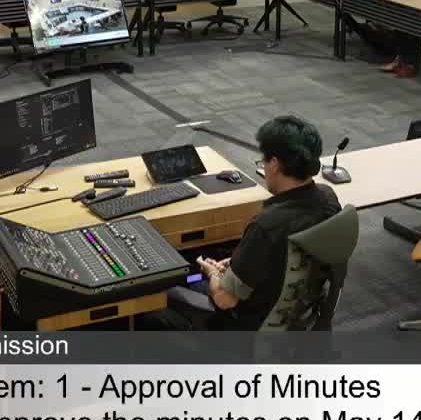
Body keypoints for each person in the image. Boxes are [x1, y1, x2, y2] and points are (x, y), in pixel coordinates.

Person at [141, 116, 341, 331]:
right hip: (299, 317)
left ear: (274, 165)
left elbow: (224, 300)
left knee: (153, 299)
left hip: (246, 329)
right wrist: (239, 261)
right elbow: (287, 255)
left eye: (264, 162)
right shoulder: (329, 199)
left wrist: (213, 273)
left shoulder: (267, 226)